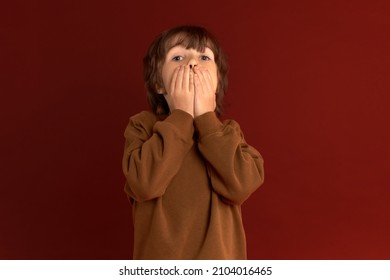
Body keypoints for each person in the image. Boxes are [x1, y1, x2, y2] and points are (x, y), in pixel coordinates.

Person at [122, 25, 264, 259]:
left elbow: (242, 185)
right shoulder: (142, 127)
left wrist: (206, 120)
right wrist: (181, 116)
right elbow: (145, 184)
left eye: (204, 57)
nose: (192, 64)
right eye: (178, 57)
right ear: (159, 83)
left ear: (216, 81)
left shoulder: (227, 132)